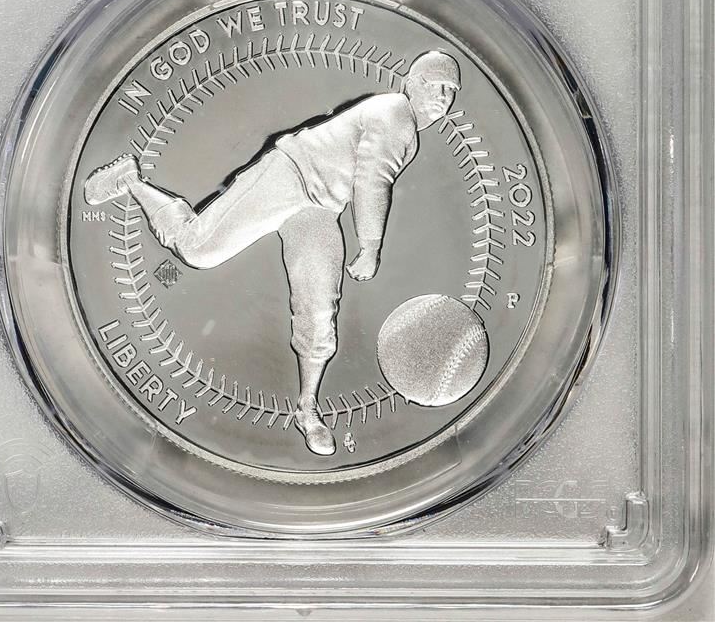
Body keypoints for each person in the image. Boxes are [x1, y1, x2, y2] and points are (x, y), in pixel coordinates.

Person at [84, 50, 461, 456]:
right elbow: (372, 181)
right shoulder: (395, 113)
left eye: (450, 90)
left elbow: (366, 180)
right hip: (290, 175)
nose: (442, 96)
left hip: (319, 208)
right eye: (434, 85)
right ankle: (131, 181)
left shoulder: (407, 131)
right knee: (197, 249)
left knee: (319, 310)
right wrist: (370, 247)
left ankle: (307, 409)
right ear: (411, 83)